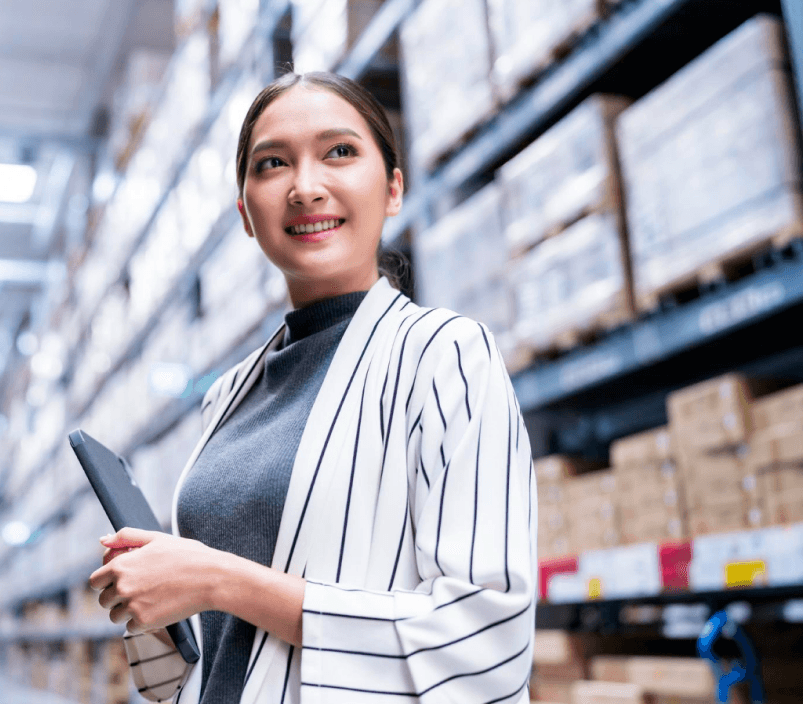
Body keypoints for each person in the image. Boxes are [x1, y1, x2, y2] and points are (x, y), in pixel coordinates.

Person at [88, 71, 537, 704]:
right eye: (272, 164)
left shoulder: (445, 355)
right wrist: (156, 607)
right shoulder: (229, 395)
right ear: (246, 214)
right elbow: (192, 670)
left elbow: (485, 645)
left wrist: (218, 580)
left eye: (339, 152)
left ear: (393, 188)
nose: (304, 187)